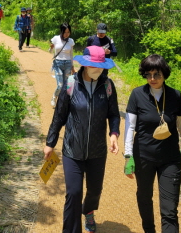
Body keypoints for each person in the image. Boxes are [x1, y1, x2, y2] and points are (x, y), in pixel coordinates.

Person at [44, 45, 120, 233]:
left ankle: (89, 211)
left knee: (94, 191)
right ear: (85, 65)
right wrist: (50, 143)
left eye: (100, 66)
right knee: (74, 193)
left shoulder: (108, 86)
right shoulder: (71, 84)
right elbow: (59, 116)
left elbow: (114, 114)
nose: (97, 70)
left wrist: (114, 134)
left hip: (97, 151)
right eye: (94, 66)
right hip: (72, 149)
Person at [124, 54, 181, 233]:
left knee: (169, 210)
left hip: (170, 158)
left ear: (165, 74)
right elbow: (130, 127)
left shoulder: (175, 96)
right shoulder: (137, 94)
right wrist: (128, 155)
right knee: (144, 197)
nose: (152, 79)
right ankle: (149, 229)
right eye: (148, 74)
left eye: (157, 75)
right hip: (143, 156)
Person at [49, 23, 75, 108]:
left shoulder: (71, 41)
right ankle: (54, 97)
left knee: (66, 85)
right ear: (62, 31)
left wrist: (72, 66)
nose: (67, 34)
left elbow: (71, 55)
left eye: (68, 32)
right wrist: (51, 48)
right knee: (60, 85)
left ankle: (63, 101)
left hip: (67, 64)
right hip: (58, 64)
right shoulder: (56, 39)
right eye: (65, 32)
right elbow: (50, 51)